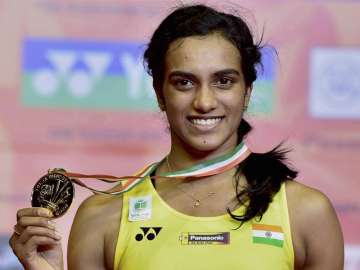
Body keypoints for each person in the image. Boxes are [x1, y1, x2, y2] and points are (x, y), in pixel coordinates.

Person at [9, 4, 344, 270]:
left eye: (224, 81)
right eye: (184, 82)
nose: (204, 101)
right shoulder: (103, 215)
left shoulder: (305, 213)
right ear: (159, 92)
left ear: (247, 91)